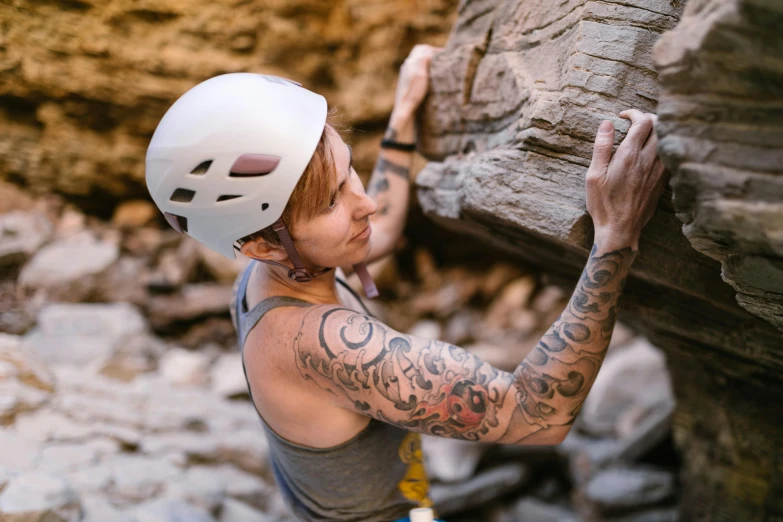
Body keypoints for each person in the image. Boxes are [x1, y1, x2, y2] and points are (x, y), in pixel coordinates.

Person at [145, 44, 667, 522]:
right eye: (332, 201)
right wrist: (615, 237)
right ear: (262, 244)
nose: (363, 202)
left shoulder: (272, 269)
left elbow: (380, 230)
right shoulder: (319, 347)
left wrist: (402, 118)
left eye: (349, 173)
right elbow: (535, 415)